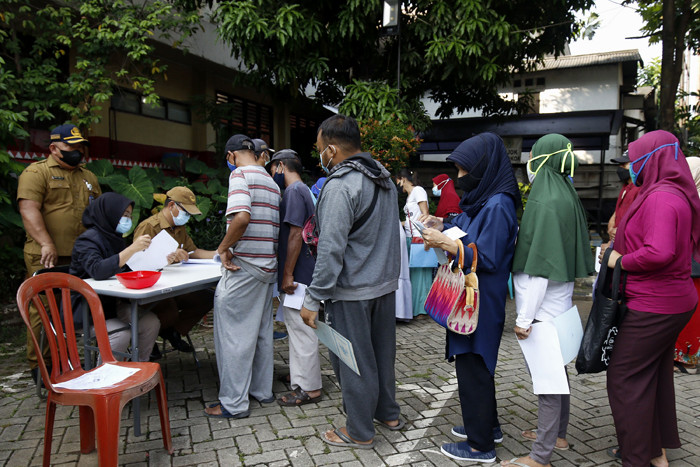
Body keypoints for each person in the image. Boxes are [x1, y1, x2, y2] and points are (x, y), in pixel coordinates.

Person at [300, 114, 402, 449]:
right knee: (382, 355)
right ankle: (388, 413)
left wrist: (313, 299)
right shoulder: (384, 179)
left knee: (352, 361)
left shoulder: (341, 185)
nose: (320, 157)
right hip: (385, 286)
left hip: (352, 291)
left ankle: (359, 431)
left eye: (319, 150)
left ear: (331, 149)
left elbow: (330, 249)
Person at [419, 132, 519, 463]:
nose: (460, 178)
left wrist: (447, 243)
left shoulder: (499, 204)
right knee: (476, 364)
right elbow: (464, 223)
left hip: (480, 301)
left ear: (483, 167)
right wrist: (441, 222)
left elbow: (487, 255)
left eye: (464, 171)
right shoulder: (484, 199)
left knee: (474, 364)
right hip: (473, 298)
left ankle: (480, 447)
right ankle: (487, 428)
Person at [602, 130, 700, 467]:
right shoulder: (668, 192)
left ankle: (637, 457)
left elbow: (659, 252)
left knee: (624, 377)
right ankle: (656, 453)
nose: (630, 165)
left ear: (652, 158)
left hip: (655, 304)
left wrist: (619, 260)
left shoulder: (660, 198)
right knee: (653, 375)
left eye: (634, 158)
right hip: (671, 300)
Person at [504, 134, 594, 467]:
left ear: (543, 159)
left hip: (542, 313)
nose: (528, 163)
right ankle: (558, 435)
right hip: (561, 308)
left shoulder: (545, 200)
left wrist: (523, 319)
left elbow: (539, 271)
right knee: (558, 377)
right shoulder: (566, 194)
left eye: (532, 156)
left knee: (547, 384)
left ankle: (540, 456)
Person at [17, 123, 102, 381]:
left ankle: (78, 359)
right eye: (71, 147)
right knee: (43, 311)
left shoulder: (88, 176)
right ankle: (40, 366)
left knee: (80, 307)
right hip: (47, 255)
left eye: (80, 147)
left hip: (82, 256)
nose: (78, 152)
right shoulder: (36, 173)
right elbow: (28, 210)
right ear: (54, 148)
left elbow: (97, 212)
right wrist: (46, 243)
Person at [205, 134, 280, 419]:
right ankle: (262, 391)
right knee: (261, 333)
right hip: (265, 269)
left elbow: (242, 217)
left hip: (244, 268)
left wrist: (224, 248)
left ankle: (233, 404)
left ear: (231, 156)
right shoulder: (271, 182)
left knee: (234, 337)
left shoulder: (240, 175)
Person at [69, 192, 160, 362]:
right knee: (121, 334)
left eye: (130, 216)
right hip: (87, 310)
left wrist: (159, 259)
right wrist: (132, 249)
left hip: (112, 304)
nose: (127, 220)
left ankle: (139, 368)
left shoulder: (114, 238)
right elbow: (97, 270)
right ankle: (106, 378)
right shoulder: (87, 241)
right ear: (109, 213)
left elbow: (127, 268)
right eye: (124, 215)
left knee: (151, 323)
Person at [267, 150, 322, 406]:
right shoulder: (303, 190)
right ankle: (301, 378)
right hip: (304, 271)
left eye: (272, 169)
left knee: (301, 330)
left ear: (280, 167)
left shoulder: (292, 192)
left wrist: (287, 273)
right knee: (299, 328)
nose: (271, 175)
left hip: (298, 274)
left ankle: (309, 388)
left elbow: (296, 234)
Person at [133, 186, 215, 355]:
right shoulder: (148, 226)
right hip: (154, 287)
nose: (187, 217)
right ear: (171, 206)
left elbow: (193, 252)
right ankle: (149, 338)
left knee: (206, 298)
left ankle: (174, 331)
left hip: (176, 284)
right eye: (185, 212)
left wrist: (218, 253)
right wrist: (165, 257)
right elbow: (136, 263)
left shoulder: (179, 227)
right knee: (169, 310)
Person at [673, 157, 700, 374]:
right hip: (691, 263)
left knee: (693, 311)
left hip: (693, 265)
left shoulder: (692, 199)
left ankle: (687, 357)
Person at [396, 168, 431, 317]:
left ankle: (422, 309)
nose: (397, 184)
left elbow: (425, 215)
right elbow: (411, 219)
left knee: (421, 274)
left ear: (402, 179)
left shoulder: (418, 191)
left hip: (419, 236)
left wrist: (426, 236)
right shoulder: (410, 196)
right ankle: (415, 309)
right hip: (410, 237)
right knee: (414, 274)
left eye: (397, 181)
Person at [606, 150, 640, 242]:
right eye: (619, 164)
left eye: (624, 164)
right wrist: (611, 227)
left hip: (627, 241)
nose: (620, 168)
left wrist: (619, 231)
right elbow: (617, 211)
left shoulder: (640, 190)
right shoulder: (625, 187)